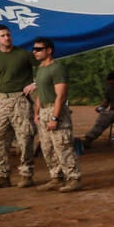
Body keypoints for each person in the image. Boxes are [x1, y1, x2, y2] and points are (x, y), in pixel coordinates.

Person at [0, 23, 37, 189]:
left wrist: (35, 83)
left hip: (20, 100)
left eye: (8, 34)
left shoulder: (24, 54)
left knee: (25, 137)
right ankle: (2, 175)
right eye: (3, 35)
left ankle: (26, 174)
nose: (7, 38)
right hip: (0, 101)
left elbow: (45, 65)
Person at [30, 38, 80, 192]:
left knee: (62, 145)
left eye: (38, 49)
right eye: (34, 49)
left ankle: (73, 178)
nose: (34, 52)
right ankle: (56, 178)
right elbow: (40, 94)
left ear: (49, 50)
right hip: (44, 110)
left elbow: (61, 96)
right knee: (47, 147)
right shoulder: (40, 69)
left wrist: (54, 117)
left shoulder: (57, 68)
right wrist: (37, 112)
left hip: (55, 110)